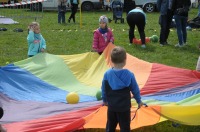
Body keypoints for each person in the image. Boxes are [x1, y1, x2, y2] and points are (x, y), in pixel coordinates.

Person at [101, 46, 144, 132]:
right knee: (125, 128)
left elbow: (104, 89)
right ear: (125, 59)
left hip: (112, 107)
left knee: (110, 126)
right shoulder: (129, 74)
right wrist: (139, 101)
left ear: (111, 60)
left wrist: (105, 101)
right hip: (124, 108)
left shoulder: (107, 74)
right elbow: (135, 89)